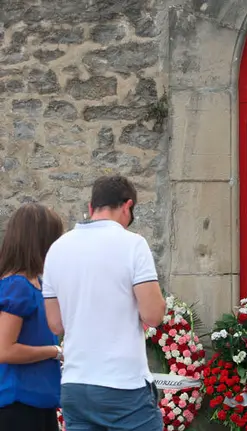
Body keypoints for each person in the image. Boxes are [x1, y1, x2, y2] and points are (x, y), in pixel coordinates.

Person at [43, 175, 167, 431]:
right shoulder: (133, 244)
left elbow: (55, 325)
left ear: (91, 208)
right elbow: (153, 315)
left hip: (76, 384)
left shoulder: (57, 248)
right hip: (123, 384)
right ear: (127, 206)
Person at [0, 203, 65, 431]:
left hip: (39, 403)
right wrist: (55, 352)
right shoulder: (17, 286)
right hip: (18, 406)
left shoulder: (36, 283)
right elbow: (5, 350)